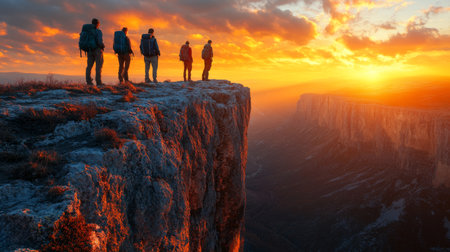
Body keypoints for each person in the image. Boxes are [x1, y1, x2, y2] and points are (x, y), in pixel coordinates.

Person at [86, 18, 105, 86]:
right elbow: (99, 41)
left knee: (89, 66)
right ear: (97, 24)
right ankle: (98, 82)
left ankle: (88, 81)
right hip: (97, 50)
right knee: (98, 66)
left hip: (89, 50)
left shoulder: (87, 31)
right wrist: (102, 46)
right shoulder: (98, 31)